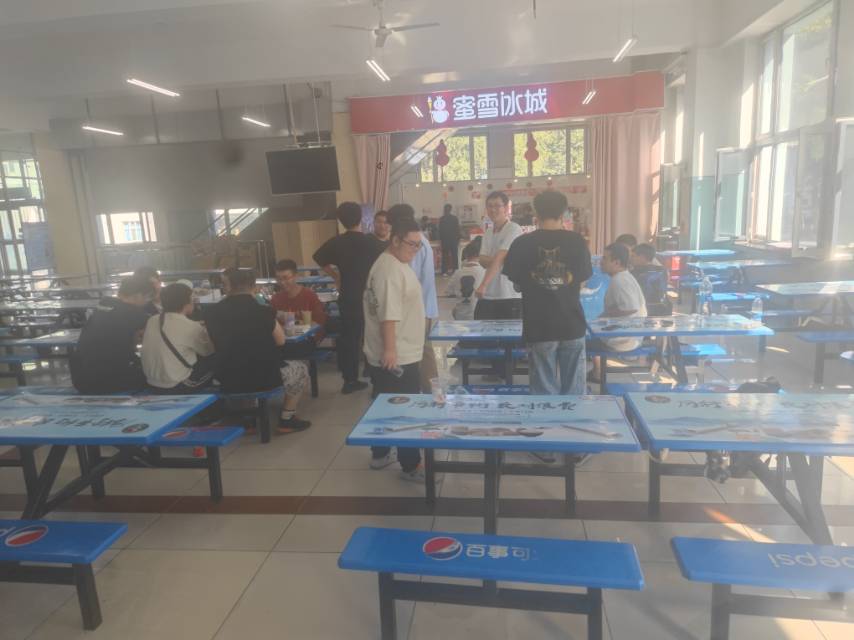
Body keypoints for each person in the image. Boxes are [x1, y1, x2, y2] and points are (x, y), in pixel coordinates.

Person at [503, 190, 593, 396]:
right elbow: (582, 280)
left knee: (543, 394)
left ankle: (548, 418)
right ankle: (574, 417)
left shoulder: (522, 243)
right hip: (572, 323)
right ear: (564, 213)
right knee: (575, 392)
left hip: (539, 326)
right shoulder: (577, 241)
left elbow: (517, 285)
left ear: (536, 212)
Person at [205, 268, 311, 433]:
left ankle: (248, 419)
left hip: (227, 378)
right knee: (300, 368)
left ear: (229, 286)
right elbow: (281, 341)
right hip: (264, 376)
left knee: (240, 365)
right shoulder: (264, 311)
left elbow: (212, 345)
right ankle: (287, 419)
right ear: (253, 287)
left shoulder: (212, 312)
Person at [363, 216, 425, 479]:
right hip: (398, 354)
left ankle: (380, 454)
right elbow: (388, 315)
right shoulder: (390, 270)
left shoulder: (393, 262)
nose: (416, 250)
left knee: (384, 405)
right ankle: (411, 465)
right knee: (404, 409)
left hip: (395, 351)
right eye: (412, 244)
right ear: (396, 240)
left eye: (419, 245)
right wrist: (390, 351)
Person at [313, 202, 385, 394]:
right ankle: (376, 378)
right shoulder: (372, 242)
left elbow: (318, 257)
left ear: (341, 220)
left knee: (349, 339)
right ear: (361, 218)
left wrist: (336, 276)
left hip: (348, 295)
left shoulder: (337, 242)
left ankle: (350, 380)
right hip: (371, 296)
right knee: (374, 337)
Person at [70, 275, 154, 394]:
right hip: (107, 381)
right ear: (138, 295)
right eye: (148, 297)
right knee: (156, 377)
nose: (147, 302)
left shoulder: (103, 305)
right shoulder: (135, 314)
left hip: (81, 379)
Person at [387, 204, 439, 392]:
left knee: (420, 354)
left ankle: (430, 393)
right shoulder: (420, 240)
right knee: (424, 351)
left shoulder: (413, 244)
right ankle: (431, 392)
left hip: (418, 310)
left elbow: (409, 277)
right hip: (423, 307)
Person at [141, 282, 216, 393]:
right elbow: (208, 351)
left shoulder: (152, 320)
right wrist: (205, 331)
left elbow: (173, 330)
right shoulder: (192, 326)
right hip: (178, 385)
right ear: (186, 303)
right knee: (217, 360)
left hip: (152, 382)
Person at [589, 243, 648, 380]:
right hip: (634, 335)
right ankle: (597, 371)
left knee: (580, 340)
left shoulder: (619, 281)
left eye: (605, 258)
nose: (601, 262)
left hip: (625, 340)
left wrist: (604, 316)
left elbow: (630, 308)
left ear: (616, 262)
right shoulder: (625, 276)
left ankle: (597, 372)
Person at [474, 191, 523, 319]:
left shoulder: (514, 229)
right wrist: (501, 261)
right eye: (489, 206)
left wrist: (483, 285)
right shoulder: (488, 232)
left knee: (508, 332)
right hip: (488, 295)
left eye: (497, 206)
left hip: (508, 295)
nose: (493, 210)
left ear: (506, 208)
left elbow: (499, 257)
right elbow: (482, 260)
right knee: (482, 328)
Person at [631, 243, 672, 316]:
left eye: (633, 256)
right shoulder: (663, 270)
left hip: (645, 310)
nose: (631, 259)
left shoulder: (635, 273)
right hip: (664, 308)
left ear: (642, 257)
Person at [438, 203, 461, 275]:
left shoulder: (442, 219)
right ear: (451, 210)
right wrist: (458, 239)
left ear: (444, 210)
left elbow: (440, 231)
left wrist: (440, 240)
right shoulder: (454, 218)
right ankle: (455, 271)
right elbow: (457, 230)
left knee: (445, 257)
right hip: (453, 241)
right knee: (454, 256)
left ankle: (444, 271)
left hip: (445, 241)